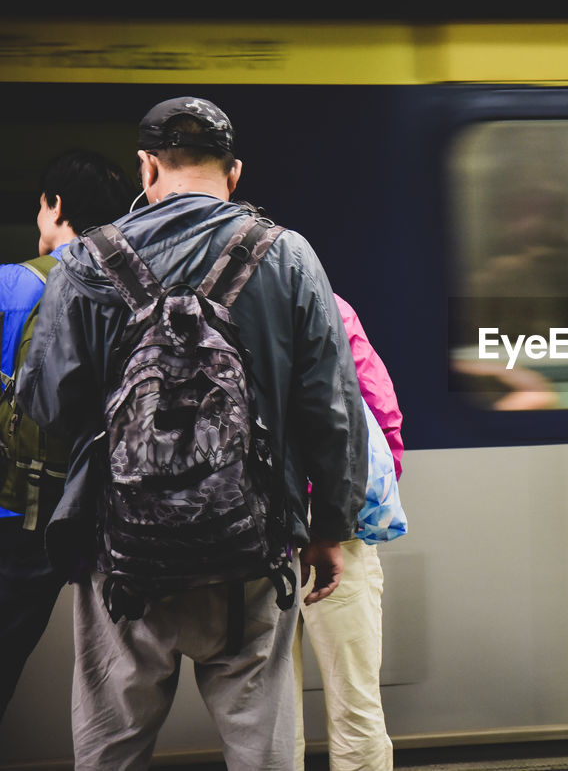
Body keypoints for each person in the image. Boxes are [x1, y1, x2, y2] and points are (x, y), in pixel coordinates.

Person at [16, 97, 367, 770]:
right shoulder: (289, 256)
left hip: (120, 558)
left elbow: (49, 407)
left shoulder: (85, 263)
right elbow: (333, 408)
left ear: (148, 167)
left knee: (111, 750)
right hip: (253, 553)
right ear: (232, 174)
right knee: (264, 753)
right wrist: (331, 527)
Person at [0, 150, 133, 721]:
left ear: (55, 206)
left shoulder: (13, 287)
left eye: (40, 206)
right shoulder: (131, 295)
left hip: (15, 517)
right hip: (100, 517)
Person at [294, 293, 401, 771]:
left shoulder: (197, 300)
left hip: (244, 526)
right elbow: (379, 406)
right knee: (354, 698)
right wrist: (364, 493)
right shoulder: (319, 298)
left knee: (265, 712)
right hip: (332, 524)